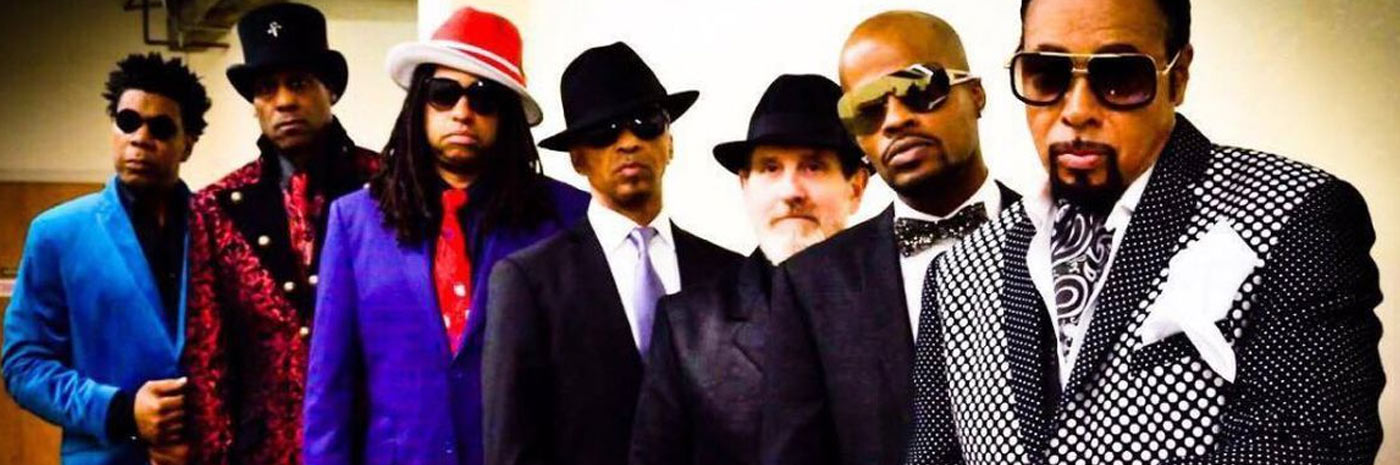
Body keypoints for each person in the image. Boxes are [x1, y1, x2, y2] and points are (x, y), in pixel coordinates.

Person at [905, 0, 1384, 463]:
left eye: (1119, 76)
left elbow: (1306, 444)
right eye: (1047, 74)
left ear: (1178, 76)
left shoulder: (1295, 213)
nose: (1076, 110)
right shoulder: (956, 273)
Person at [303, 8, 589, 465]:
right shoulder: (353, 221)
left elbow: (587, 379)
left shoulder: (566, 216)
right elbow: (330, 389)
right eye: (444, 94)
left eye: (484, 98)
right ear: (419, 104)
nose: (462, 112)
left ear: (507, 116)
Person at [760, 11, 1019, 465]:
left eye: (920, 89)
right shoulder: (810, 286)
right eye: (868, 109)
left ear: (976, 94)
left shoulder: (1066, 237)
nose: (895, 120)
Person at [482, 41, 742, 465]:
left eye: (646, 123)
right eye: (604, 132)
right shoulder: (529, 282)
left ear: (670, 142)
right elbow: (511, 448)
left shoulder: (729, 274)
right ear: (578, 159)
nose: (628, 142)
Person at [628, 74, 868, 465]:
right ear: (745, 184)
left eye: (813, 167)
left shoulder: (900, 302)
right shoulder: (687, 326)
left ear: (856, 187)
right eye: (770, 168)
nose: (791, 191)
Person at [181, 4, 380, 464]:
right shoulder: (215, 208)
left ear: (330, 90)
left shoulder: (388, 189)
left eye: (299, 83)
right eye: (267, 89)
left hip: (368, 441)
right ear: (255, 105)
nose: (284, 101)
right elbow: (208, 355)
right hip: (263, 450)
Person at [2, 52, 209, 465]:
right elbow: (23, 364)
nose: (140, 138)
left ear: (187, 144)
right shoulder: (57, 233)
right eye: (128, 121)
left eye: (161, 127)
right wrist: (122, 412)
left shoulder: (221, 229)